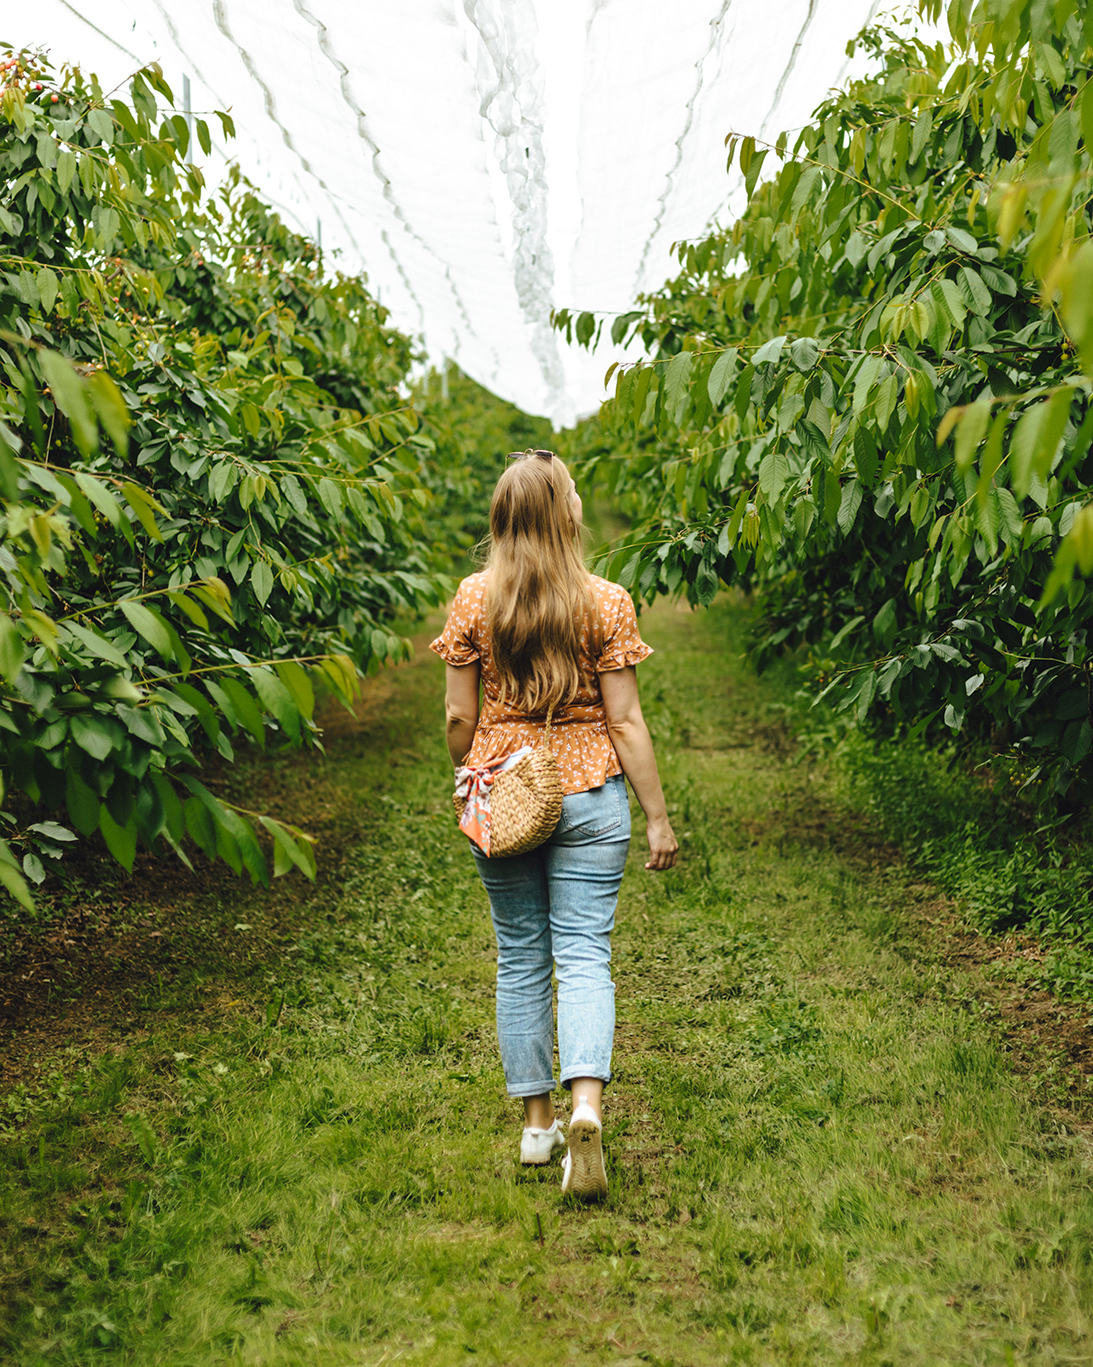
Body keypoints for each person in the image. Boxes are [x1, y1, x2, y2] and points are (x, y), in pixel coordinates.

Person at [430, 449, 678, 1202]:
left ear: (503, 517)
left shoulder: (474, 601)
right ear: (564, 513)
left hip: (505, 795)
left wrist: (472, 765)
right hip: (591, 792)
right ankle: (586, 1109)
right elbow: (626, 720)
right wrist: (658, 815)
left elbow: (455, 716)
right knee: (582, 954)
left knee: (519, 955)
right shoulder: (604, 601)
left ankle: (537, 1127)